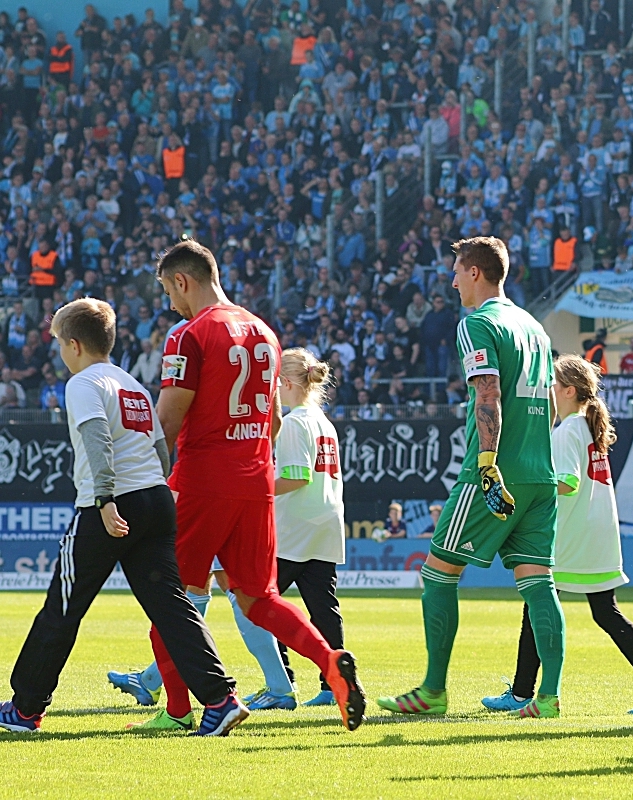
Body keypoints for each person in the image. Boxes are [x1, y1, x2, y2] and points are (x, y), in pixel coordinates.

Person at [133, 240, 365, 732]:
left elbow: (169, 419)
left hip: (202, 481)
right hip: (255, 481)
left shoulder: (189, 334)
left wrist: (146, 482)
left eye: (169, 292)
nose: (170, 305)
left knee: (169, 599)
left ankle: (178, 711)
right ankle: (329, 662)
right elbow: (275, 422)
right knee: (261, 599)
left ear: (183, 281)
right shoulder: (265, 331)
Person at [0, 299, 244, 736]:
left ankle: (24, 709)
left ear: (74, 344)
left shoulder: (83, 383)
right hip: (154, 497)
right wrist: (152, 490)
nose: (58, 351)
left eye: (58, 342)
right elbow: (158, 447)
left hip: (111, 505)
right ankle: (220, 698)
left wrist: (106, 499)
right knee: (171, 606)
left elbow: (97, 440)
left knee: (62, 608)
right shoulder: (130, 383)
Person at [376, 236, 566, 719]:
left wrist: (486, 463)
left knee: (438, 573)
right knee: (538, 582)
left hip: (495, 468)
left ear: (476, 273)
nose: (453, 280)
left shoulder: (478, 323)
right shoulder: (534, 328)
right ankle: (548, 698)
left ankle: (433, 691)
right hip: (540, 473)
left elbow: (489, 395)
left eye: (457, 272)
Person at [481, 355, 633, 714]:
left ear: (569, 390)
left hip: (573, 538)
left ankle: (523, 694)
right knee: (605, 612)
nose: (549, 391)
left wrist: (526, 491)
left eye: (554, 385)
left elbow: (567, 483)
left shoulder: (568, 429)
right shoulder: (587, 426)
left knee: (537, 606)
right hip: (598, 532)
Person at [269, 348, 348, 709]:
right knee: (324, 609)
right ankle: (335, 685)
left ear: (285, 382)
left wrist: (257, 486)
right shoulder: (321, 419)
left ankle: (281, 685)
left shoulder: (295, 421)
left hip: (294, 529)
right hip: (326, 522)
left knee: (260, 605)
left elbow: (296, 477)